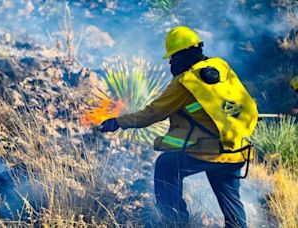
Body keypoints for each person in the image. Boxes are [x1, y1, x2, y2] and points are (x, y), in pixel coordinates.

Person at [99, 26, 258, 227]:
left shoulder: (186, 81)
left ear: (184, 54)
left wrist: (118, 121)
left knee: (165, 165)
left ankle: (175, 221)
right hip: (236, 148)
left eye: (173, 57)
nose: (171, 62)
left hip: (209, 150)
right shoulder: (220, 67)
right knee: (230, 199)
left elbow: (152, 113)